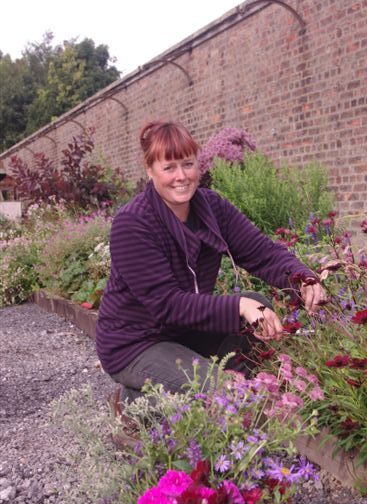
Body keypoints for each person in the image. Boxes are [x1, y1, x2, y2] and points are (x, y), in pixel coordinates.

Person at [96, 120, 326, 406]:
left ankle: (228, 394)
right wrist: (238, 305)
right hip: (137, 345)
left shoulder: (212, 207)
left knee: (256, 306)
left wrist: (303, 279)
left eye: (188, 164)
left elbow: (262, 252)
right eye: (169, 168)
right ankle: (135, 402)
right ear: (150, 170)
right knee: (215, 393)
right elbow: (167, 305)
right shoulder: (133, 224)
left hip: (186, 333)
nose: (181, 176)